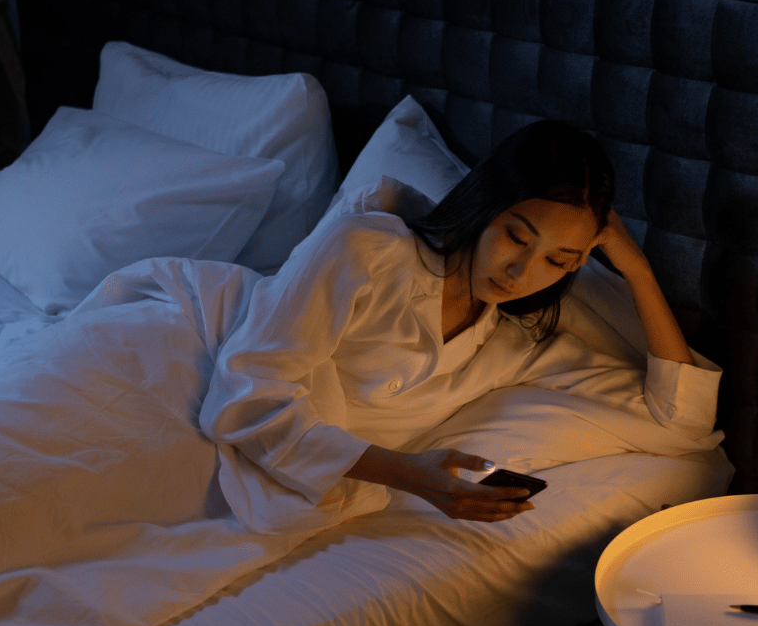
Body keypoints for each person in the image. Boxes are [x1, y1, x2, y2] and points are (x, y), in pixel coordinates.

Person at [201, 119, 720, 527]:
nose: (522, 273)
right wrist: (409, 474)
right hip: (186, 375)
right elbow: (245, 396)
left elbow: (682, 422)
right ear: (484, 205)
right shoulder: (367, 249)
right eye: (517, 238)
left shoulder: (516, 342)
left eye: (557, 261)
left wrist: (636, 269)